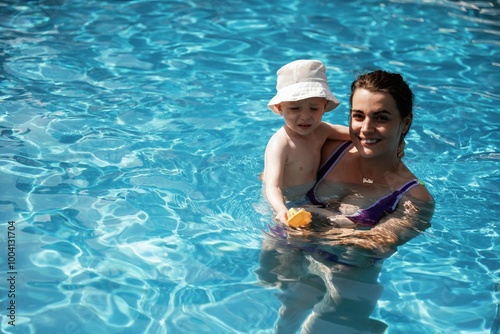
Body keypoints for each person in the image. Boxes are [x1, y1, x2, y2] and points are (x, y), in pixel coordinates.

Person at [257, 70, 435, 333]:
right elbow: (276, 181)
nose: (366, 129)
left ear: (405, 123)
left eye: (381, 117)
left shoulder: (414, 197)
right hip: (294, 256)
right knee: (284, 320)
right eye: (358, 116)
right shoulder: (325, 149)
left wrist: (317, 223)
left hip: (348, 282)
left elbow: (374, 245)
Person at [262, 60, 350, 225]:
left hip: (312, 196)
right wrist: (281, 210)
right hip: (286, 202)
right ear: (281, 109)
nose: (305, 116)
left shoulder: (322, 130)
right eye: (295, 108)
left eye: (314, 108)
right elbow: (273, 186)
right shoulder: (281, 144)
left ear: (324, 106)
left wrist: (393, 143)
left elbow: (355, 135)